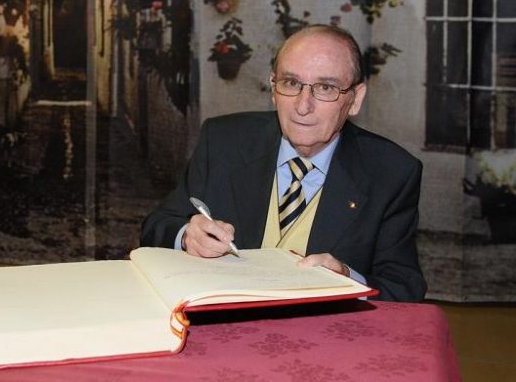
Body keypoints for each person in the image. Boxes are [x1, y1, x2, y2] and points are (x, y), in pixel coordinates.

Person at [140, 24, 427, 302]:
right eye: (291, 83)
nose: (303, 106)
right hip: (220, 323)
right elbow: (156, 226)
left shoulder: (391, 172)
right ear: (273, 89)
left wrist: (347, 280)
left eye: (325, 87)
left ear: (355, 99)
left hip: (321, 329)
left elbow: (404, 288)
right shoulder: (223, 141)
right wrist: (186, 236)